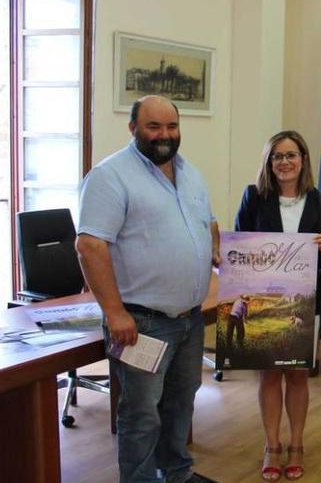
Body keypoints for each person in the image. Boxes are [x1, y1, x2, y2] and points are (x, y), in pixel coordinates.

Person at [76, 95, 219, 483]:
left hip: (188, 318)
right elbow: (90, 246)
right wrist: (115, 314)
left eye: (171, 127)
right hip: (139, 323)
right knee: (141, 412)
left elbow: (208, 221)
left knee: (180, 402)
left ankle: (176, 473)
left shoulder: (190, 172)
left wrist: (216, 250)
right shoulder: (110, 176)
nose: (164, 135)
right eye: (154, 127)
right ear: (133, 128)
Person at [234, 130, 321, 481]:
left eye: (291, 155)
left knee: (296, 374)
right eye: (277, 156)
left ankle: (296, 445)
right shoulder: (253, 197)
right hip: (265, 299)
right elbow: (240, 249)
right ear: (269, 162)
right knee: (268, 375)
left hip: (305, 302)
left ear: (303, 159)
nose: (284, 162)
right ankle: (271, 445)